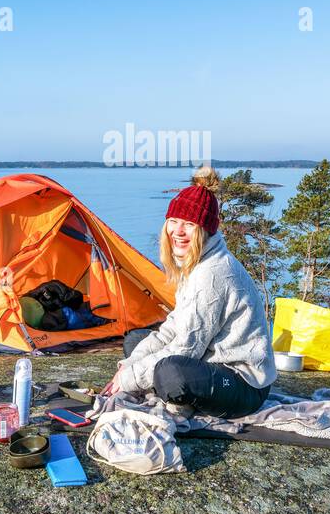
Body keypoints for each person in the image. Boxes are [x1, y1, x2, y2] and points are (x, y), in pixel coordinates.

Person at [101, 167, 276, 418]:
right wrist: (129, 367)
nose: (178, 231)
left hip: (244, 383)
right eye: (173, 221)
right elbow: (174, 327)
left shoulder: (213, 273)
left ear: (205, 230)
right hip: (209, 361)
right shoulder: (195, 264)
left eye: (189, 224)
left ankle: (184, 399)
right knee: (135, 342)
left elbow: (186, 349)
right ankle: (183, 395)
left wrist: (129, 379)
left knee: (170, 374)